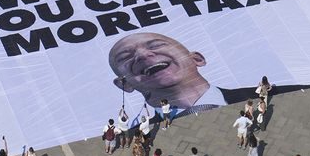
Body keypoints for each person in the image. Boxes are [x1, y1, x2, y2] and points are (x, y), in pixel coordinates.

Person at [109, 32, 264, 116]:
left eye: (156, 45)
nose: (143, 55)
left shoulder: (276, 95)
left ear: (197, 59)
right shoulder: (136, 135)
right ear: (125, 84)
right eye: (125, 57)